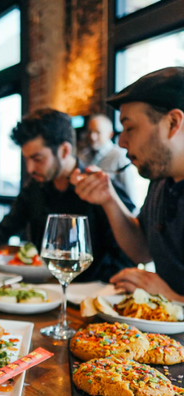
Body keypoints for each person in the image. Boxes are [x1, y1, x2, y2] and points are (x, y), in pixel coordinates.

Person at [71, 66, 184, 302]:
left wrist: (170, 298)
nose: (121, 142)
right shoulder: (161, 181)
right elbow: (142, 249)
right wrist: (108, 199)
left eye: (130, 128)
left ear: (173, 123)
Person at [0, 108, 135, 283]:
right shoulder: (34, 189)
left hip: (91, 296)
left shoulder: (101, 189)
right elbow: (3, 230)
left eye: (38, 159)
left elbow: (128, 255)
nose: (30, 169)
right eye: (27, 159)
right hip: (45, 290)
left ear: (65, 150)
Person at [78, 114, 138, 206]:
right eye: (90, 132)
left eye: (97, 132)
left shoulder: (119, 156)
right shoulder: (83, 155)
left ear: (110, 134)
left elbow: (130, 195)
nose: (92, 137)